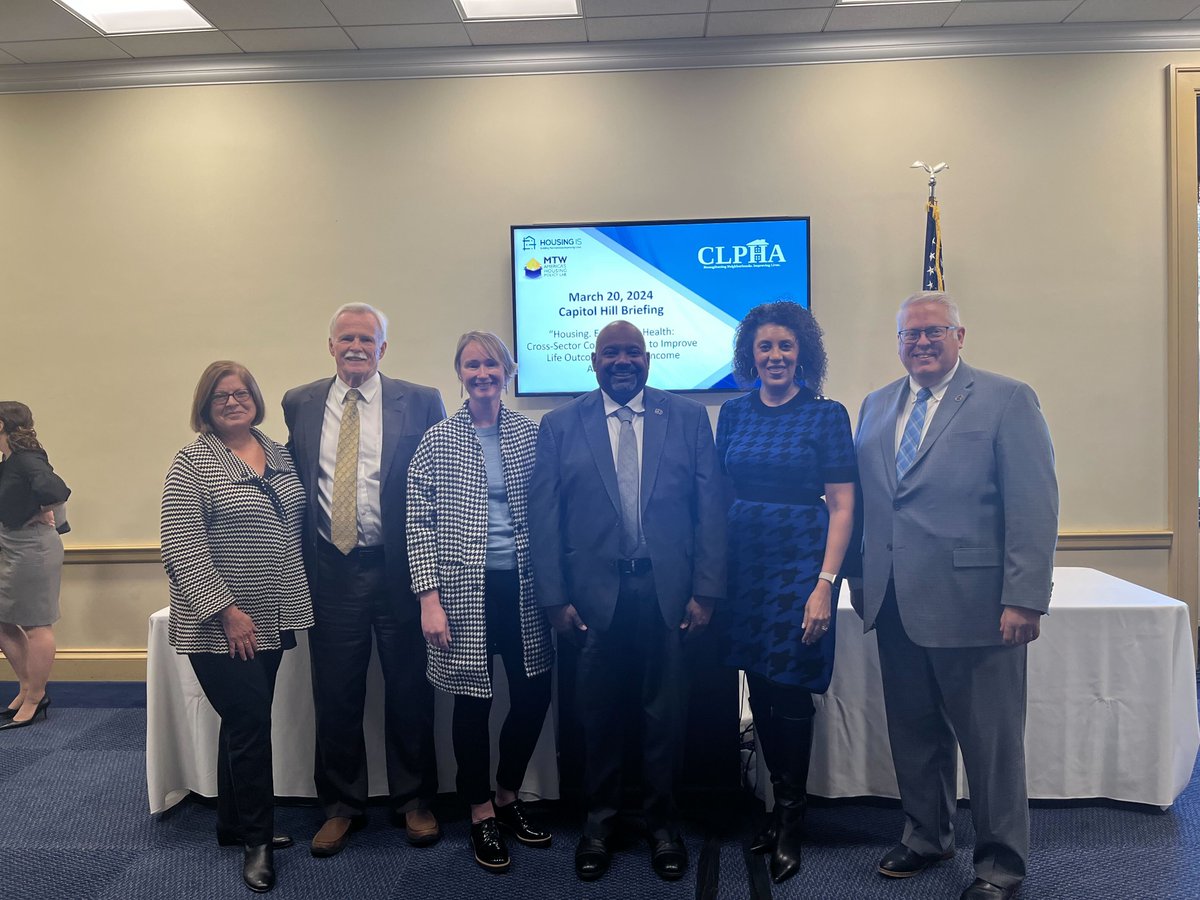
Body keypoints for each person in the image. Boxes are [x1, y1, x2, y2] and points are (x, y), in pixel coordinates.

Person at [849, 292, 1057, 900]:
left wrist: (1024, 597)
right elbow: (870, 504)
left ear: (960, 336)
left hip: (978, 606)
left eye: (934, 332)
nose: (921, 343)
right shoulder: (877, 404)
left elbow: (1034, 506)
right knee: (914, 735)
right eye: (909, 335)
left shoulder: (1007, 399)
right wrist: (864, 583)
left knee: (991, 745)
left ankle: (999, 864)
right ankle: (926, 835)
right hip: (893, 603)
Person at [528, 320, 726, 884]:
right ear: (593, 362)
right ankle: (599, 824)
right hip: (591, 600)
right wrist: (554, 599)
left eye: (632, 352)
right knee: (597, 717)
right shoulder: (561, 425)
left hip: (667, 595)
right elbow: (544, 517)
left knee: (665, 717)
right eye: (610, 353)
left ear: (648, 359)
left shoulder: (687, 419)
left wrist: (706, 592)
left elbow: (708, 510)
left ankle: (664, 827)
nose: (622, 361)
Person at [282, 303, 446, 857]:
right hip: (331, 570)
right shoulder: (299, 402)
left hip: (402, 570)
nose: (356, 346)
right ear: (330, 345)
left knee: (408, 690)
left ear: (383, 348)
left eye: (366, 338)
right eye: (345, 337)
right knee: (336, 694)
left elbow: (440, 487)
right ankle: (340, 806)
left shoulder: (421, 401)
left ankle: (414, 800)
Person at [715, 301, 855, 884]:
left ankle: (793, 815)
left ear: (804, 354)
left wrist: (825, 585)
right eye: (765, 347)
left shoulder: (827, 415)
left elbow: (844, 506)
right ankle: (774, 806)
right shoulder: (732, 412)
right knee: (758, 686)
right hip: (744, 565)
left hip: (801, 564)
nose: (775, 356)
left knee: (791, 690)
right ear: (751, 353)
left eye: (786, 347)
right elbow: (721, 491)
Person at [160, 362, 313, 894]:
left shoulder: (278, 452)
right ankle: (257, 839)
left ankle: (232, 823)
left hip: (272, 618)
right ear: (205, 405)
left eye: (241, 392)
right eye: (221, 395)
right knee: (250, 723)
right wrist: (227, 611)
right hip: (221, 624)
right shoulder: (192, 460)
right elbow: (180, 542)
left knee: (242, 721)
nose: (232, 401)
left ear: (255, 398)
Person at [407, 331, 554, 873]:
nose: (483, 373)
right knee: (473, 704)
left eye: (491, 364)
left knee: (534, 693)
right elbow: (417, 525)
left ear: (508, 371)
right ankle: (479, 810)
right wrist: (429, 599)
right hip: (462, 591)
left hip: (525, 590)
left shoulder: (531, 434)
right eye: (472, 365)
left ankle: (509, 793)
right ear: (460, 374)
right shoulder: (437, 440)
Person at [0, 401, 70, 732]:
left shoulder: (27, 459)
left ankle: (35, 697)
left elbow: (56, 490)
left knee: (36, 625)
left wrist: (39, 513)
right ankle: (26, 688)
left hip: (33, 551)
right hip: (14, 549)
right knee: (3, 621)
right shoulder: (9, 460)